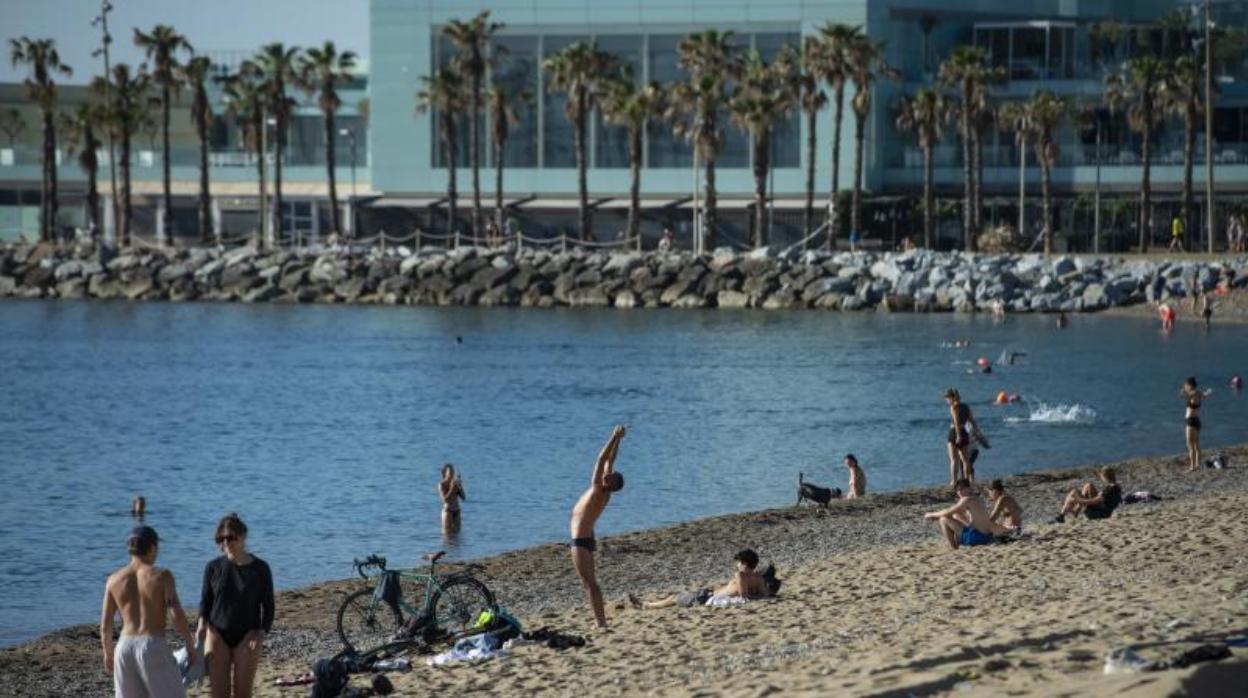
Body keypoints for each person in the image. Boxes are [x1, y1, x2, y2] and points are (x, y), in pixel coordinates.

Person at [101, 525, 196, 698]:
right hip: (152, 644)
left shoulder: (114, 580)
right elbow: (176, 613)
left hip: (124, 647)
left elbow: (106, 625)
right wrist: (189, 643)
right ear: (152, 548)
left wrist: (108, 653)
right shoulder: (162, 576)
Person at [199, 513, 274, 698]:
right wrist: (201, 624)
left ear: (243, 537)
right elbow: (205, 602)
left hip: (248, 634)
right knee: (219, 693)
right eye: (221, 538)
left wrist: (261, 632)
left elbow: (269, 606)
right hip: (217, 633)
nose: (226, 542)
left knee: (243, 693)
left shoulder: (260, 568)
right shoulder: (213, 567)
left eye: (230, 537)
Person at [570, 425, 627, 628]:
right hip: (586, 538)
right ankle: (600, 620)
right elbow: (610, 461)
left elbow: (601, 460)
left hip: (580, 541)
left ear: (610, 484)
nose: (606, 474)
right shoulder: (604, 491)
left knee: (588, 583)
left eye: (609, 476)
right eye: (607, 474)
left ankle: (600, 622)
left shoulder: (598, 490)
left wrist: (612, 437)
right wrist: (619, 439)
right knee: (589, 581)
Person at [628, 549, 767, 609]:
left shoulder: (741, 575)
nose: (736, 565)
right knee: (675, 597)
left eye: (738, 562)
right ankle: (648, 604)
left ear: (743, 563)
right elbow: (764, 595)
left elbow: (744, 596)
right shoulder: (758, 577)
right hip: (708, 594)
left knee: (674, 598)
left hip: (706, 598)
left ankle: (647, 605)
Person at [922, 479, 1012, 549]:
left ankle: (953, 548)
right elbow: (955, 513)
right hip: (987, 536)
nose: (959, 492)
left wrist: (931, 514)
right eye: (957, 490)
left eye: (962, 489)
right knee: (955, 516)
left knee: (943, 519)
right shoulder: (978, 498)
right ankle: (957, 543)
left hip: (977, 537)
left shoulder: (967, 499)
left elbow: (947, 511)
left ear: (968, 488)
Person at [1054, 467, 1122, 522]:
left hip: (1098, 513)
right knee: (1088, 485)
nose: (1101, 478)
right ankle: (1075, 512)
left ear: (1105, 477)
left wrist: (1077, 500)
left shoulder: (1110, 489)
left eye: (1101, 476)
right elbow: (1105, 500)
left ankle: (1062, 516)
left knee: (1074, 492)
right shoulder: (1116, 486)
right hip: (1105, 511)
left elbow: (1093, 501)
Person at [944, 389, 982, 485]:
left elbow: (956, 422)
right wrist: (977, 431)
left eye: (947, 398)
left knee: (954, 459)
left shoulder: (953, 407)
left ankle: (954, 481)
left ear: (952, 398)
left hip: (955, 432)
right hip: (964, 432)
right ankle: (966, 480)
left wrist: (958, 436)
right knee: (965, 459)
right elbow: (972, 420)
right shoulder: (966, 406)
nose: (946, 401)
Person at [1181, 377, 1209, 472]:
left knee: (1189, 444)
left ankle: (1192, 467)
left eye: (1186, 385)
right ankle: (1197, 464)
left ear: (1190, 385)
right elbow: (1205, 396)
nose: (1185, 386)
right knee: (1196, 444)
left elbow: (1182, 395)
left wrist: (1184, 390)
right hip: (1197, 420)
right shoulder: (1199, 393)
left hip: (1191, 421)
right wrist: (1207, 393)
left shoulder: (1192, 393)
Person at [438, 464, 466, 535]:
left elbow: (463, 497)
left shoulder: (455, 483)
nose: (452, 474)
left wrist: (460, 487)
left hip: (457, 510)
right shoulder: (442, 484)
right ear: (445, 473)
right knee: (447, 534)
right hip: (448, 511)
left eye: (453, 471)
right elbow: (445, 500)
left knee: (458, 535)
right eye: (450, 472)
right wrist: (452, 488)